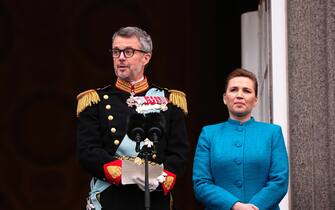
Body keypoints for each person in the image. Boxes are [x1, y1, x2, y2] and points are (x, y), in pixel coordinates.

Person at [76, 26, 189, 210]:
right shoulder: (95, 101)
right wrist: (123, 174)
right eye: (116, 51)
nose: (120, 57)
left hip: (154, 199)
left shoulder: (169, 101)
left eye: (128, 51)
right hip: (111, 197)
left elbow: (179, 153)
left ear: (146, 57)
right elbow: (87, 151)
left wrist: (162, 178)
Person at [192, 68, 289, 210]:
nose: (239, 95)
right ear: (225, 98)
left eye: (247, 91)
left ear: (255, 100)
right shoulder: (209, 134)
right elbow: (201, 183)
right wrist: (234, 205)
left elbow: (280, 180)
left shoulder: (272, 133)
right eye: (234, 90)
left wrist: (255, 206)